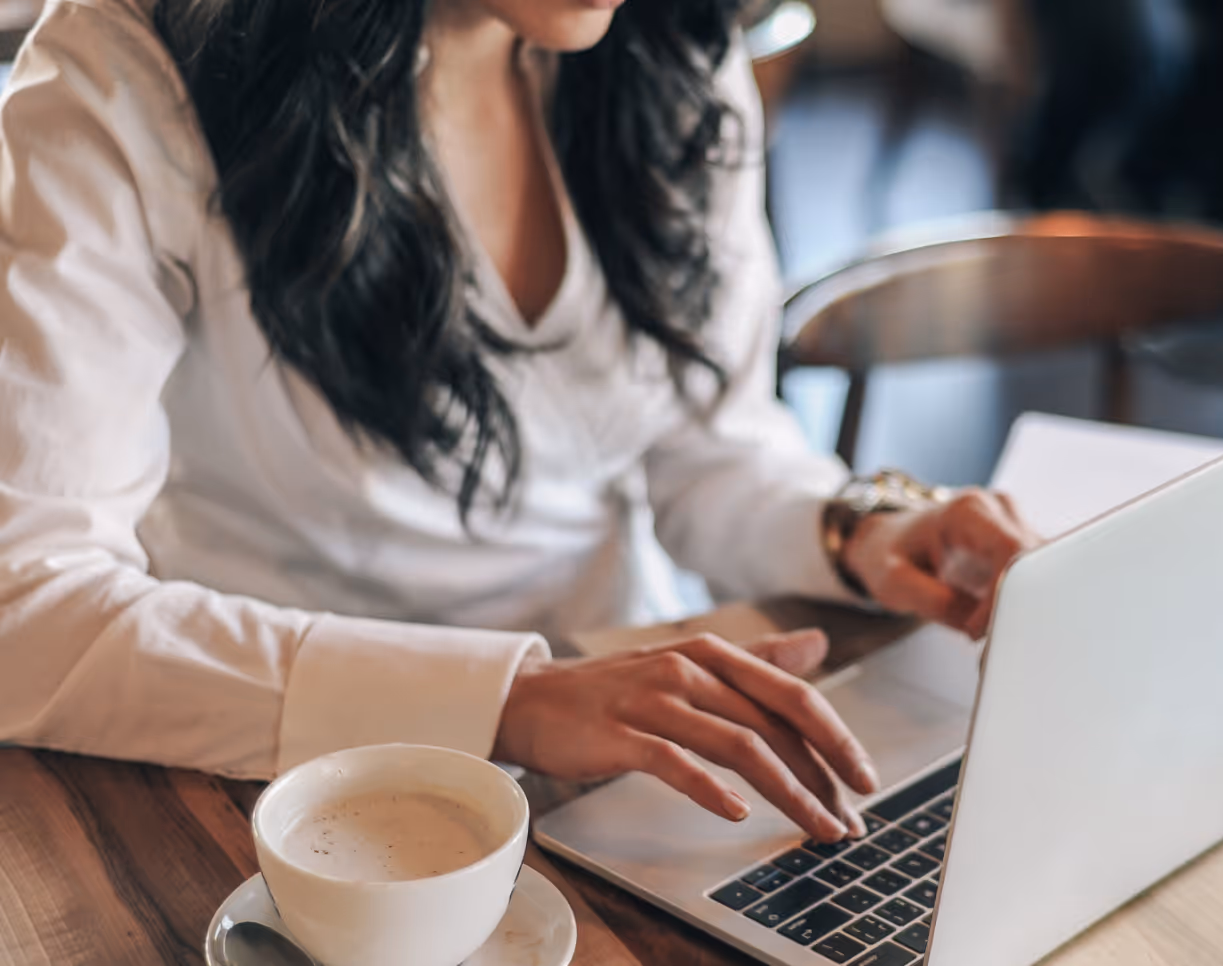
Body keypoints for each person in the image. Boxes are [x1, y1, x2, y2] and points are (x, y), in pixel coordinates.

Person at [0, 0, 1037, 843]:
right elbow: (27, 615)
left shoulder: (665, 46)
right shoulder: (123, 76)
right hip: (293, 783)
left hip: (643, 744)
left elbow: (705, 448)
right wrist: (511, 701)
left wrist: (863, 524)